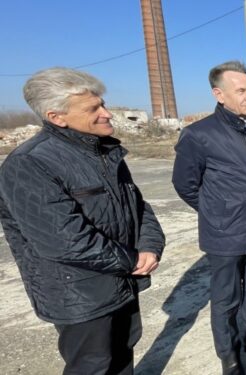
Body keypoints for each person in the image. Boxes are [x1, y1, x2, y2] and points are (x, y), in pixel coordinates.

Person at [0, 67, 165, 374]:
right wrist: (131, 259)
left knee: (122, 355)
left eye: (102, 104)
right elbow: (65, 240)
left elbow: (138, 206)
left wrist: (150, 246)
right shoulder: (29, 164)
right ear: (57, 117)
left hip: (120, 280)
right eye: (93, 108)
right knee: (93, 365)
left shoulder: (104, 152)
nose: (107, 114)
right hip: (79, 294)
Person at [172, 61, 246, 375]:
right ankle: (230, 356)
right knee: (226, 299)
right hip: (226, 232)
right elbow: (185, 184)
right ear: (219, 94)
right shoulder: (199, 134)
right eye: (241, 90)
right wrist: (218, 212)